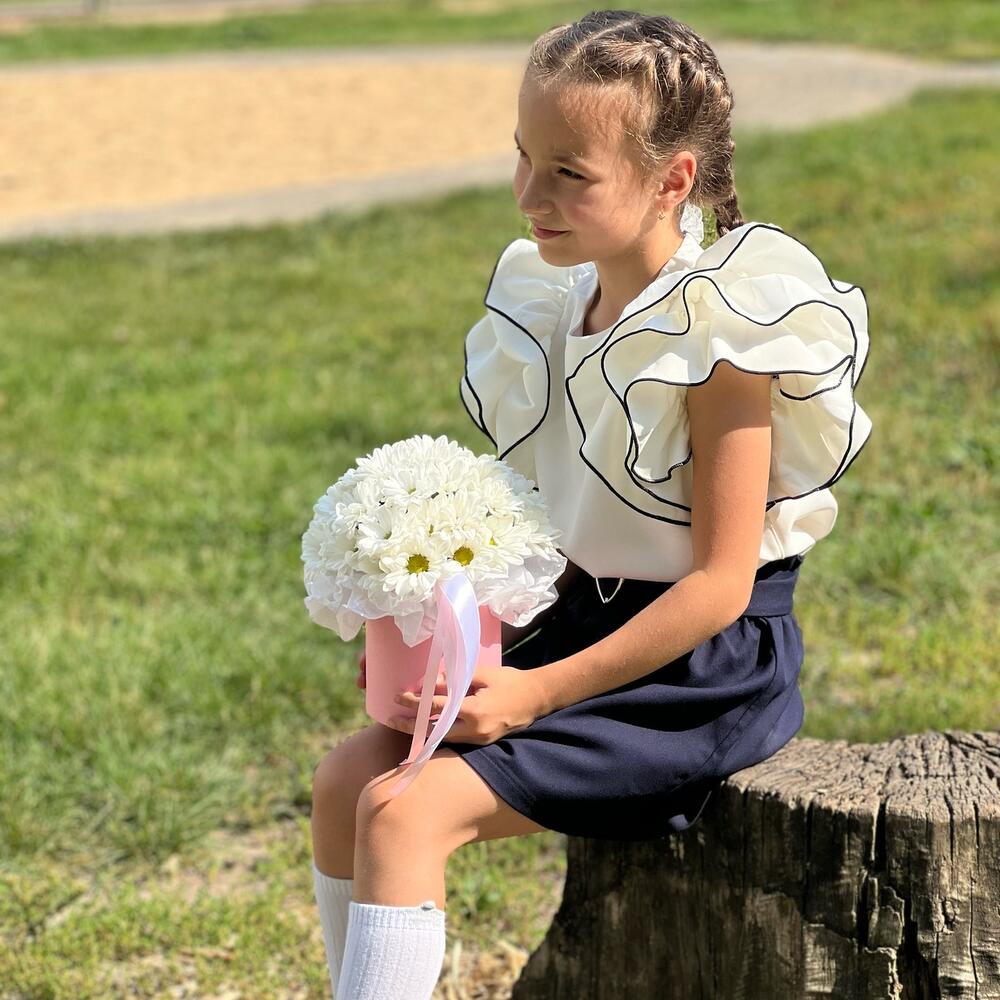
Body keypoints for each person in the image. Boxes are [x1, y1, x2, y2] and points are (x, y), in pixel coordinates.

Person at [309, 9, 872, 999]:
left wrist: (533, 694)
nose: (532, 195)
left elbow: (720, 587)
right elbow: (564, 529)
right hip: (576, 623)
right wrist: (440, 640)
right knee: (347, 779)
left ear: (672, 181)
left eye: (570, 172)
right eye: (524, 157)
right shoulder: (556, 302)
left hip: (696, 671)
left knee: (404, 811)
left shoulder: (722, 337)